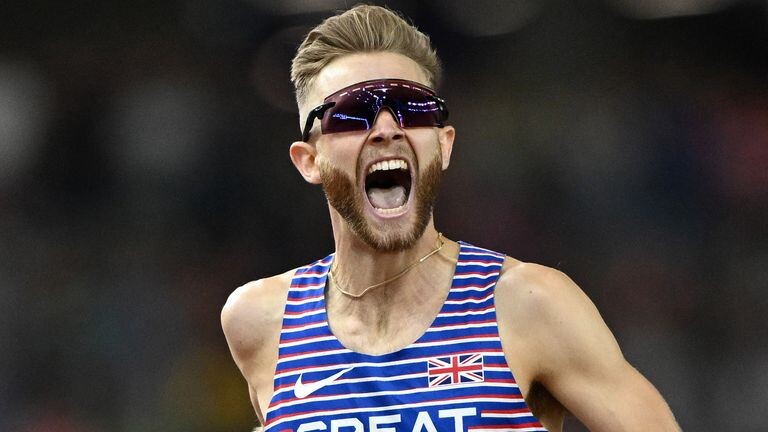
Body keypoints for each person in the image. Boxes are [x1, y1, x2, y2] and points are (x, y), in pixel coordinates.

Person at [222, 5, 681, 431]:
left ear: (443, 146)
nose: (387, 129)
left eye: (412, 108)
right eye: (352, 114)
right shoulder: (262, 321)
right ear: (309, 161)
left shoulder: (526, 304)